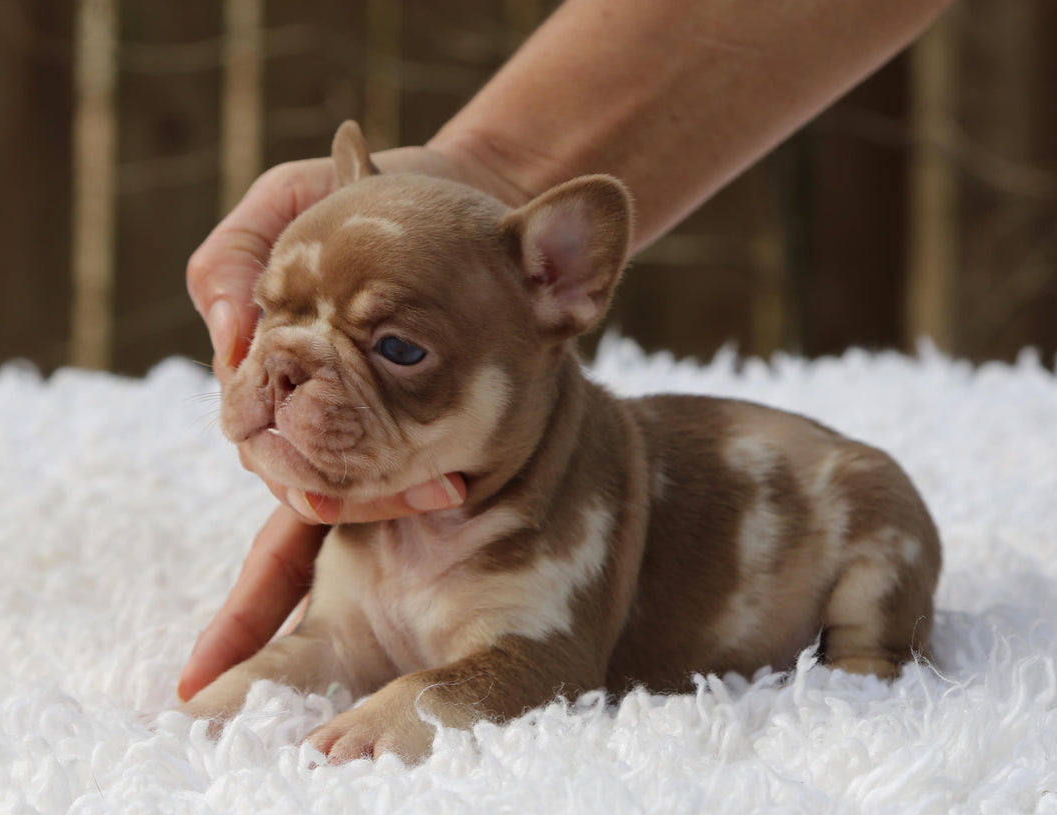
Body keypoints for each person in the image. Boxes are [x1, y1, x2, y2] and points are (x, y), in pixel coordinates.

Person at [180, 0, 955, 701]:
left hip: (822, 514)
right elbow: (332, 646)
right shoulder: (369, 520)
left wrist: (406, 715)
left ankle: (870, 657)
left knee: (870, 497)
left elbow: (538, 668)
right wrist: (225, 707)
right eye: (274, 311)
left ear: (558, 285)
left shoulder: (560, 520)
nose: (285, 372)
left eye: (395, 350)